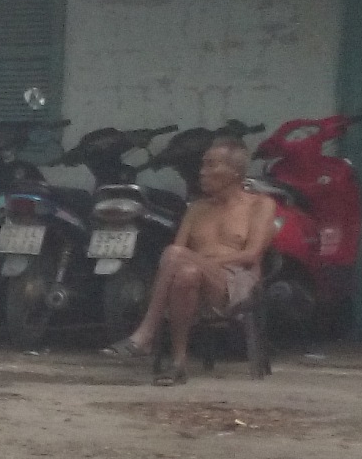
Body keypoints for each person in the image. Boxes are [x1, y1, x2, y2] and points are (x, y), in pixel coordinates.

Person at [110, 137, 276, 383]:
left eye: (210, 165)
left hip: (238, 282)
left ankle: (146, 333)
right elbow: (178, 257)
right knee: (186, 274)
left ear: (234, 172)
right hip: (196, 282)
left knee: (176, 255)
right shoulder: (196, 208)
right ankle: (178, 364)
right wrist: (195, 264)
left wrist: (200, 262)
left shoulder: (260, 205)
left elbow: (251, 255)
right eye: (202, 165)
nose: (202, 172)